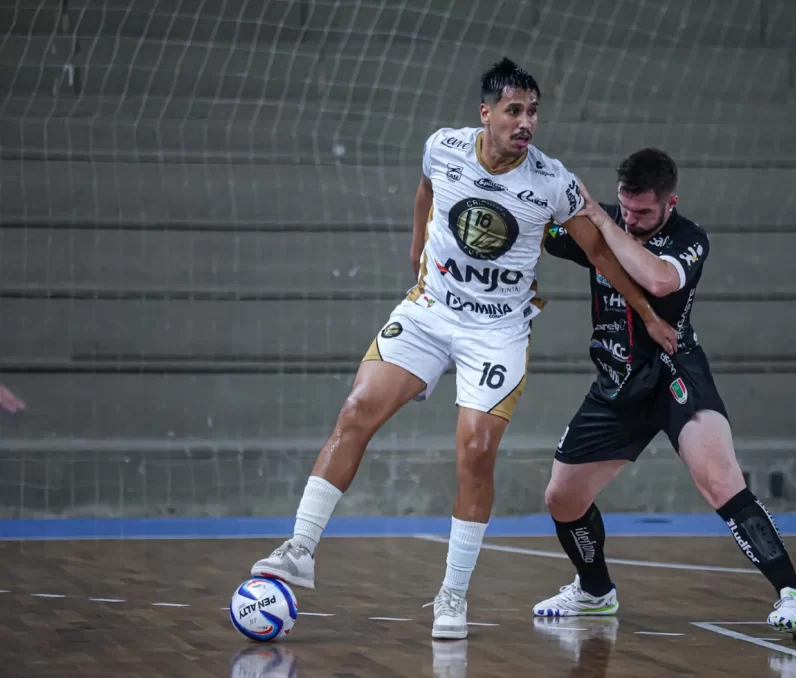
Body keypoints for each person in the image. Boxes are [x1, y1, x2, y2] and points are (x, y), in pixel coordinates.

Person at [250, 58, 678, 641]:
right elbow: (426, 190)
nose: (526, 122)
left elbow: (602, 256)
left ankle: (452, 596)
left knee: (475, 451)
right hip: (429, 313)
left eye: (533, 112)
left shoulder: (551, 181)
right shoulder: (443, 147)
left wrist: (649, 314)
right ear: (487, 113)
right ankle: (300, 548)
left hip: (496, 333)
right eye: (514, 111)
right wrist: (415, 249)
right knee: (355, 412)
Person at [532, 148, 796, 638]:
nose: (632, 217)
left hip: (673, 371)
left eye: (644, 211)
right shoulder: (602, 225)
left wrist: (602, 219)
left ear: (670, 202)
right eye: (625, 206)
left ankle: (795, 598)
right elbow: (542, 232)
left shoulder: (688, 239)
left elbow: (659, 279)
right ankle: (595, 591)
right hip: (616, 383)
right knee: (562, 498)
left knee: (720, 479)